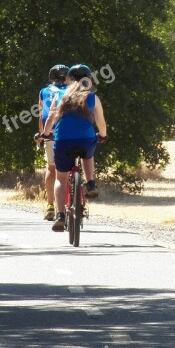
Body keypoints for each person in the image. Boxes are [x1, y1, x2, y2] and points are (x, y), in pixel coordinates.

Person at [40, 64, 107, 232]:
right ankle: (91, 183)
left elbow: (50, 120)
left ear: (69, 79)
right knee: (89, 151)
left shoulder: (60, 95)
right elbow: (101, 122)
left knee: (60, 178)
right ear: (89, 80)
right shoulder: (92, 97)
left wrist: (46, 134)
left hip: (63, 141)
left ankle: (60, 215)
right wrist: (103, 136)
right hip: (86, 140)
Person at [34, 65, 68, 221]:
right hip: (72, 131)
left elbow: (42, 115)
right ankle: (74, 201)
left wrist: (41, 134)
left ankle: (50, 205)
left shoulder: (44, 92)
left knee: (51, 167)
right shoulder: (74, 90)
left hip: (52, 132)